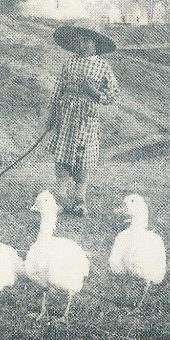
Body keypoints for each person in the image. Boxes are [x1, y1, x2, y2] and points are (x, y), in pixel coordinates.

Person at [46, 24, 120, 216]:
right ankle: (60, 199)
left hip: (87, 120)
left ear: (95, 45)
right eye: (79, 41)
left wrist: (94, 92)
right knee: (62, 158)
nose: (82, 45)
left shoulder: (103, 67)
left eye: (86, 41)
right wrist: (52, 113)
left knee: (83, 161)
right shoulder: (70, 62)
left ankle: (79, 201)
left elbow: (112, 94)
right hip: (66, 117)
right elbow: (58, 89)